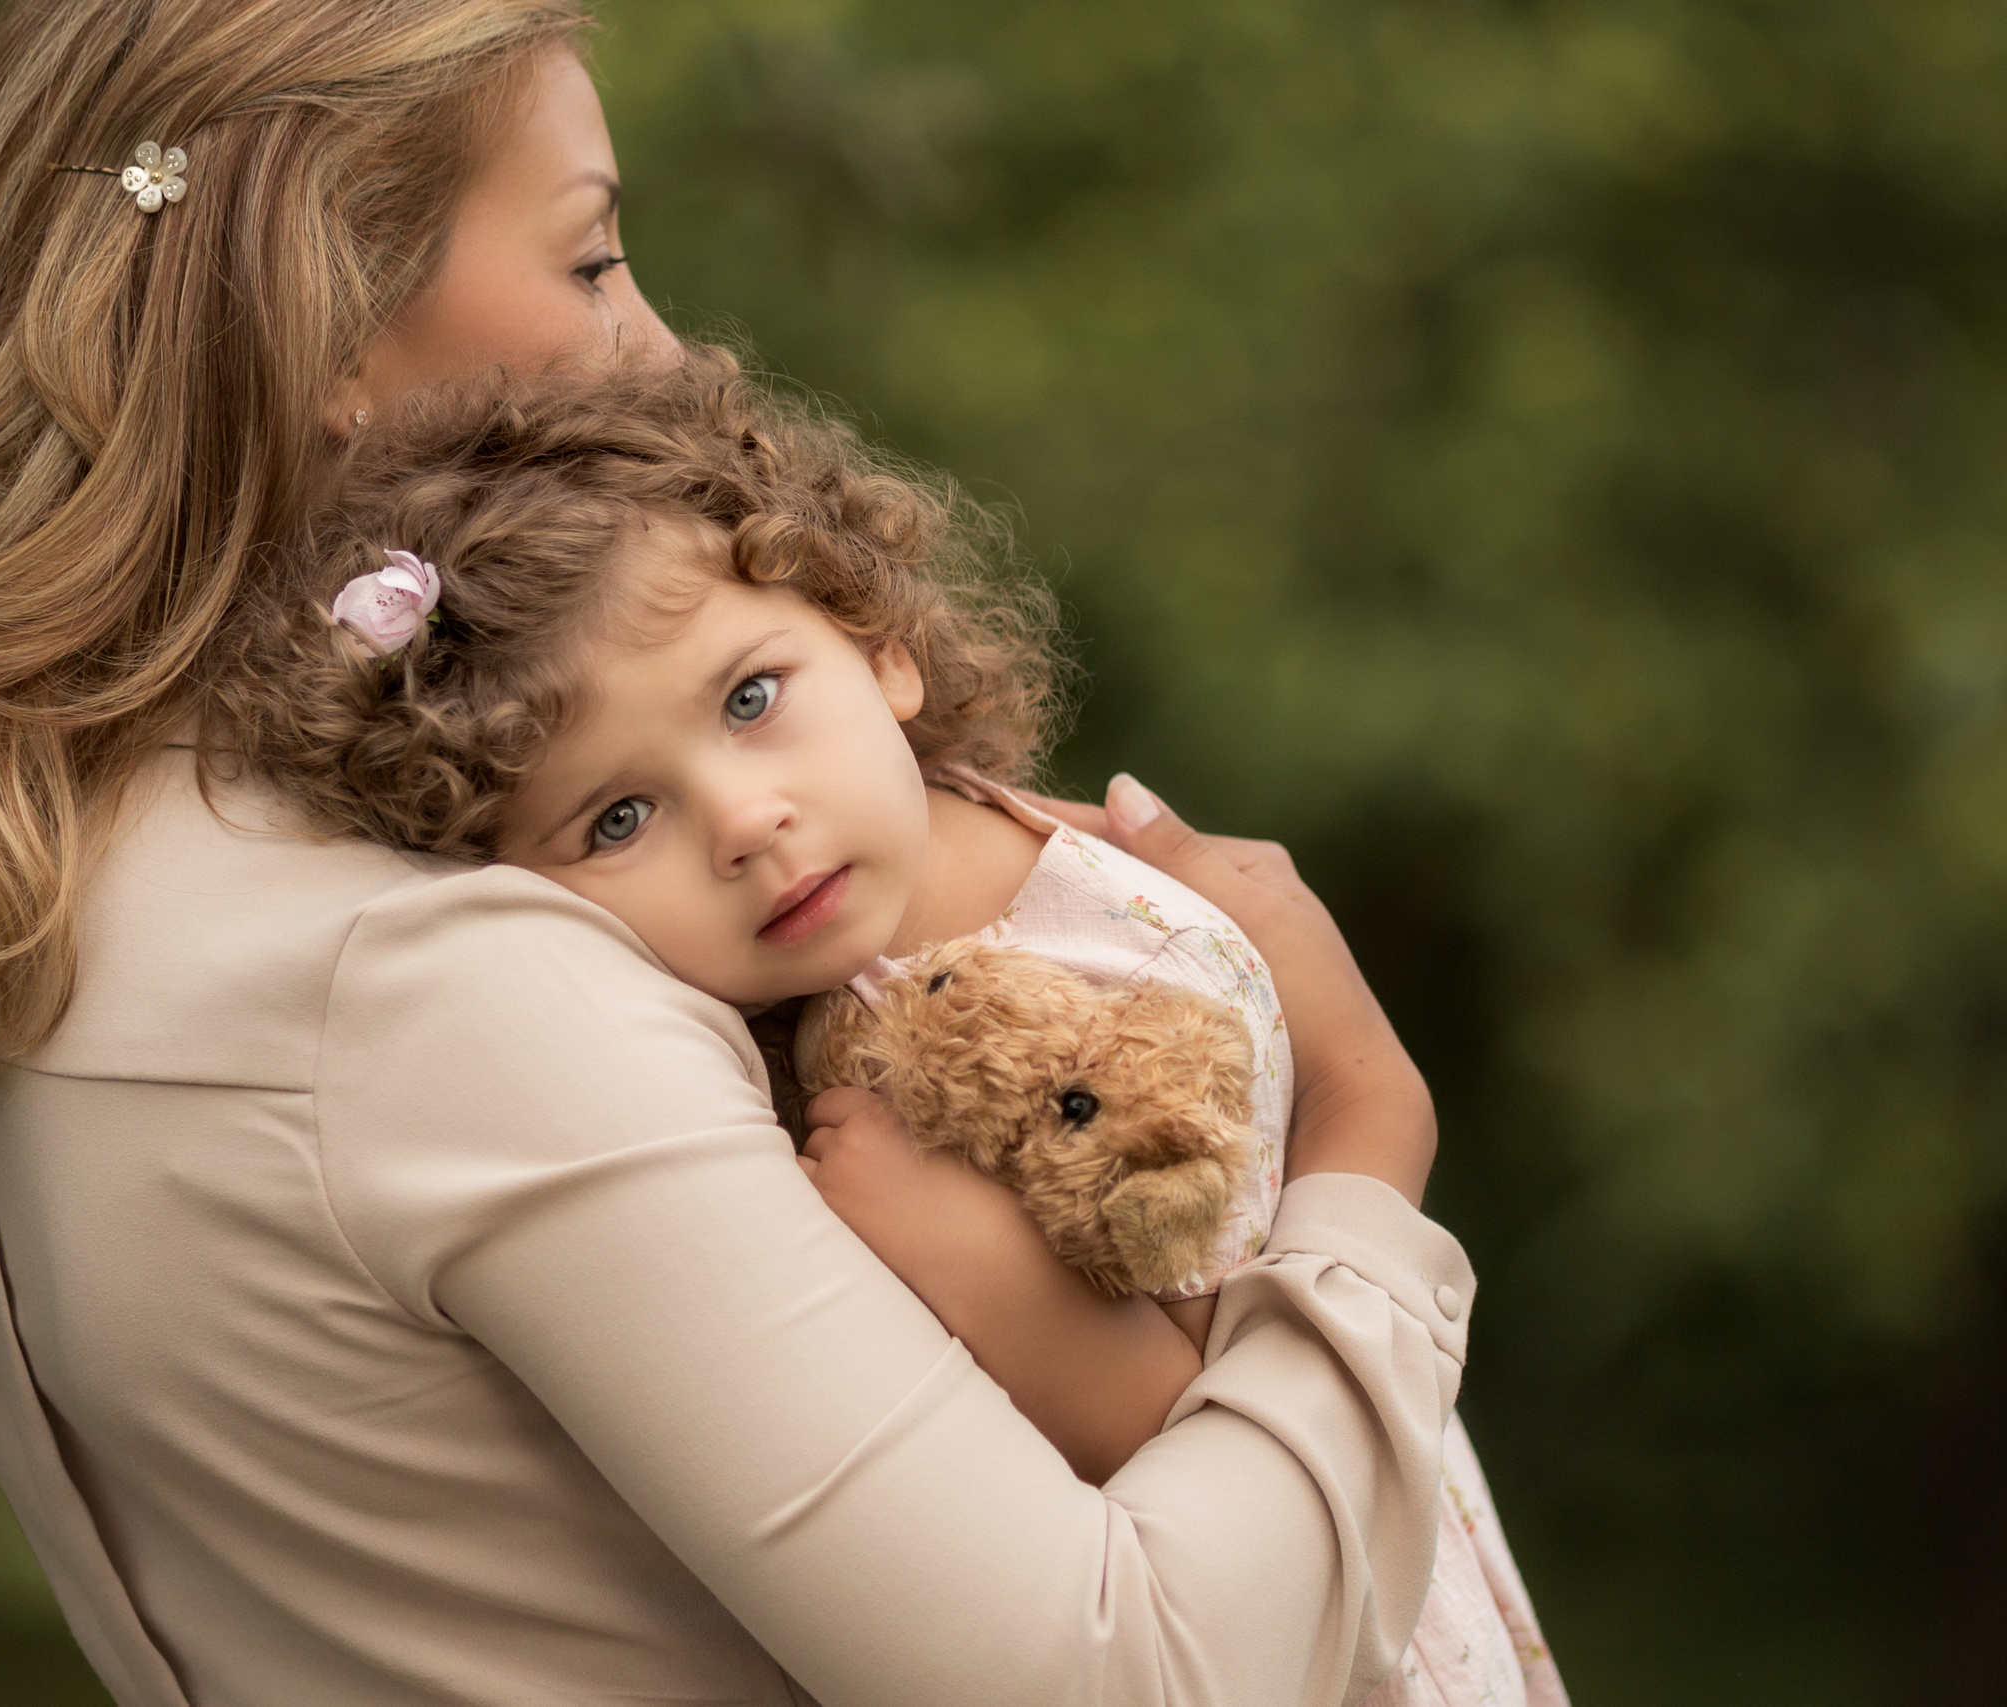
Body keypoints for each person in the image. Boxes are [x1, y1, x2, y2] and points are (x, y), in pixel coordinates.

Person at [0, 3, 1485, 1703]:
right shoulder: (430, 978)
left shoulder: (0, 901)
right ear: (319, 331)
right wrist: (1364, 1137)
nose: (662, 349)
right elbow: (1134, 1674)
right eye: (595, 261)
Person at [224, 353, 1568, 1707]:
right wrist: (992, 1280)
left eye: (751, 699)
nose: (745, 824)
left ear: (882, 646)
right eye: (618, 819)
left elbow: (1263, 1404)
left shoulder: (1051, 891)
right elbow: (1212, 1496)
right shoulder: (852, 1078)